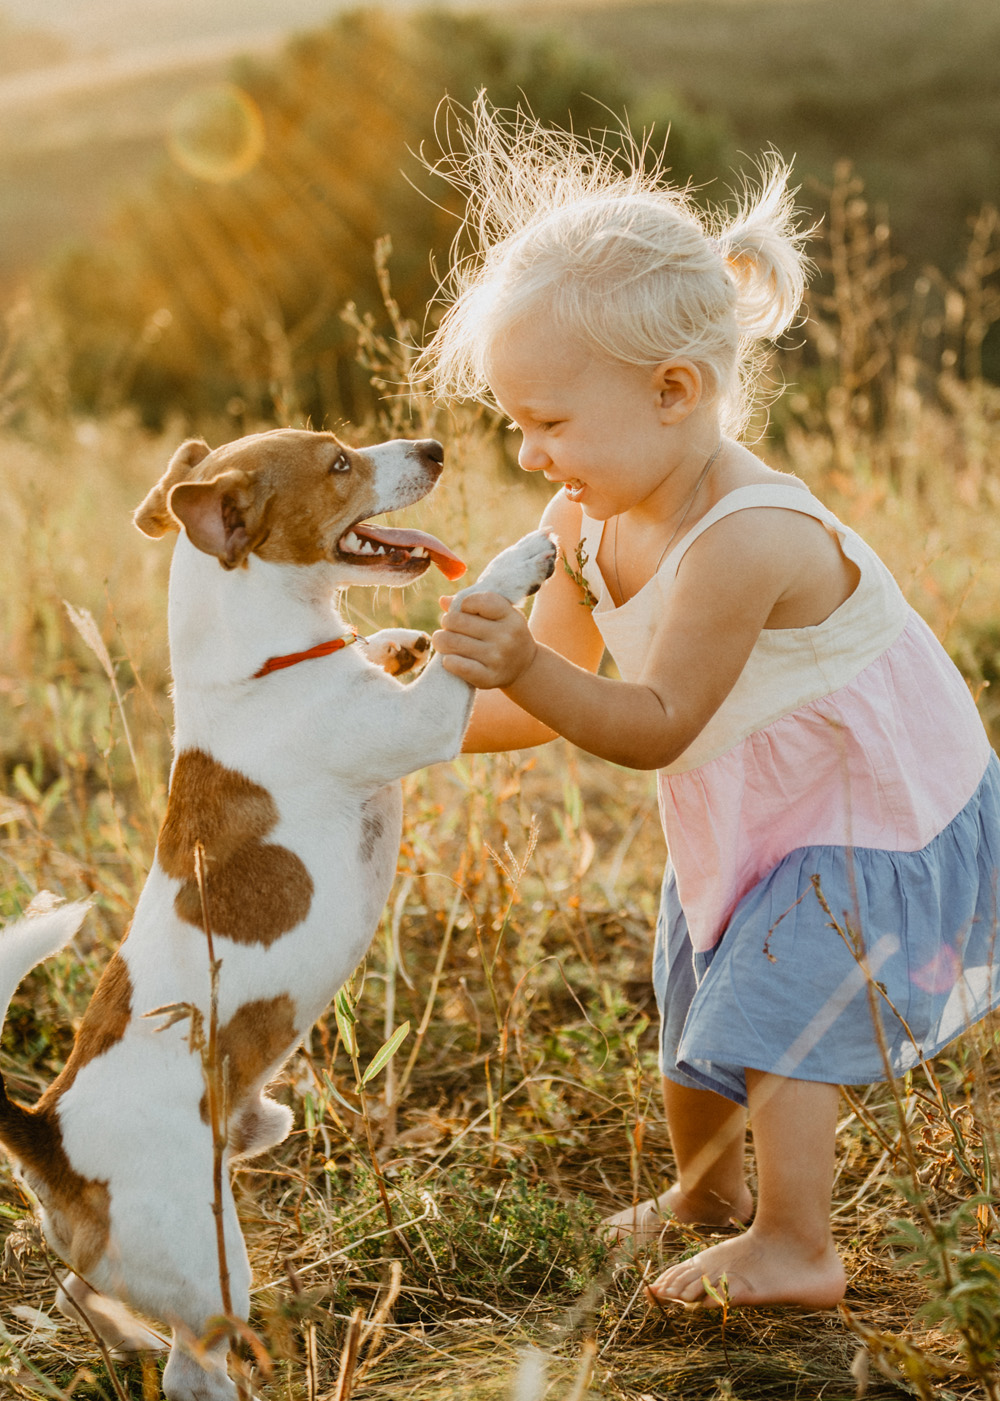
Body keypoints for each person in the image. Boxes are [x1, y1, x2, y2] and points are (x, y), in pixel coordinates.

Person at [417, 96, 1000, 1308]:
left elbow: (653, 724)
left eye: (548, 423)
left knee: (781, 993)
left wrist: (517, 664)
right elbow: (538, 702)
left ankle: (797, 1244)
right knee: (695, 975)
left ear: (674, 390)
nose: (528, 454)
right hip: (760, 801)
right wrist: (404, 718)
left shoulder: (749, 537)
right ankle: (705, 1193)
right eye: (517, 424)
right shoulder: (581, 518)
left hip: (873, 815)